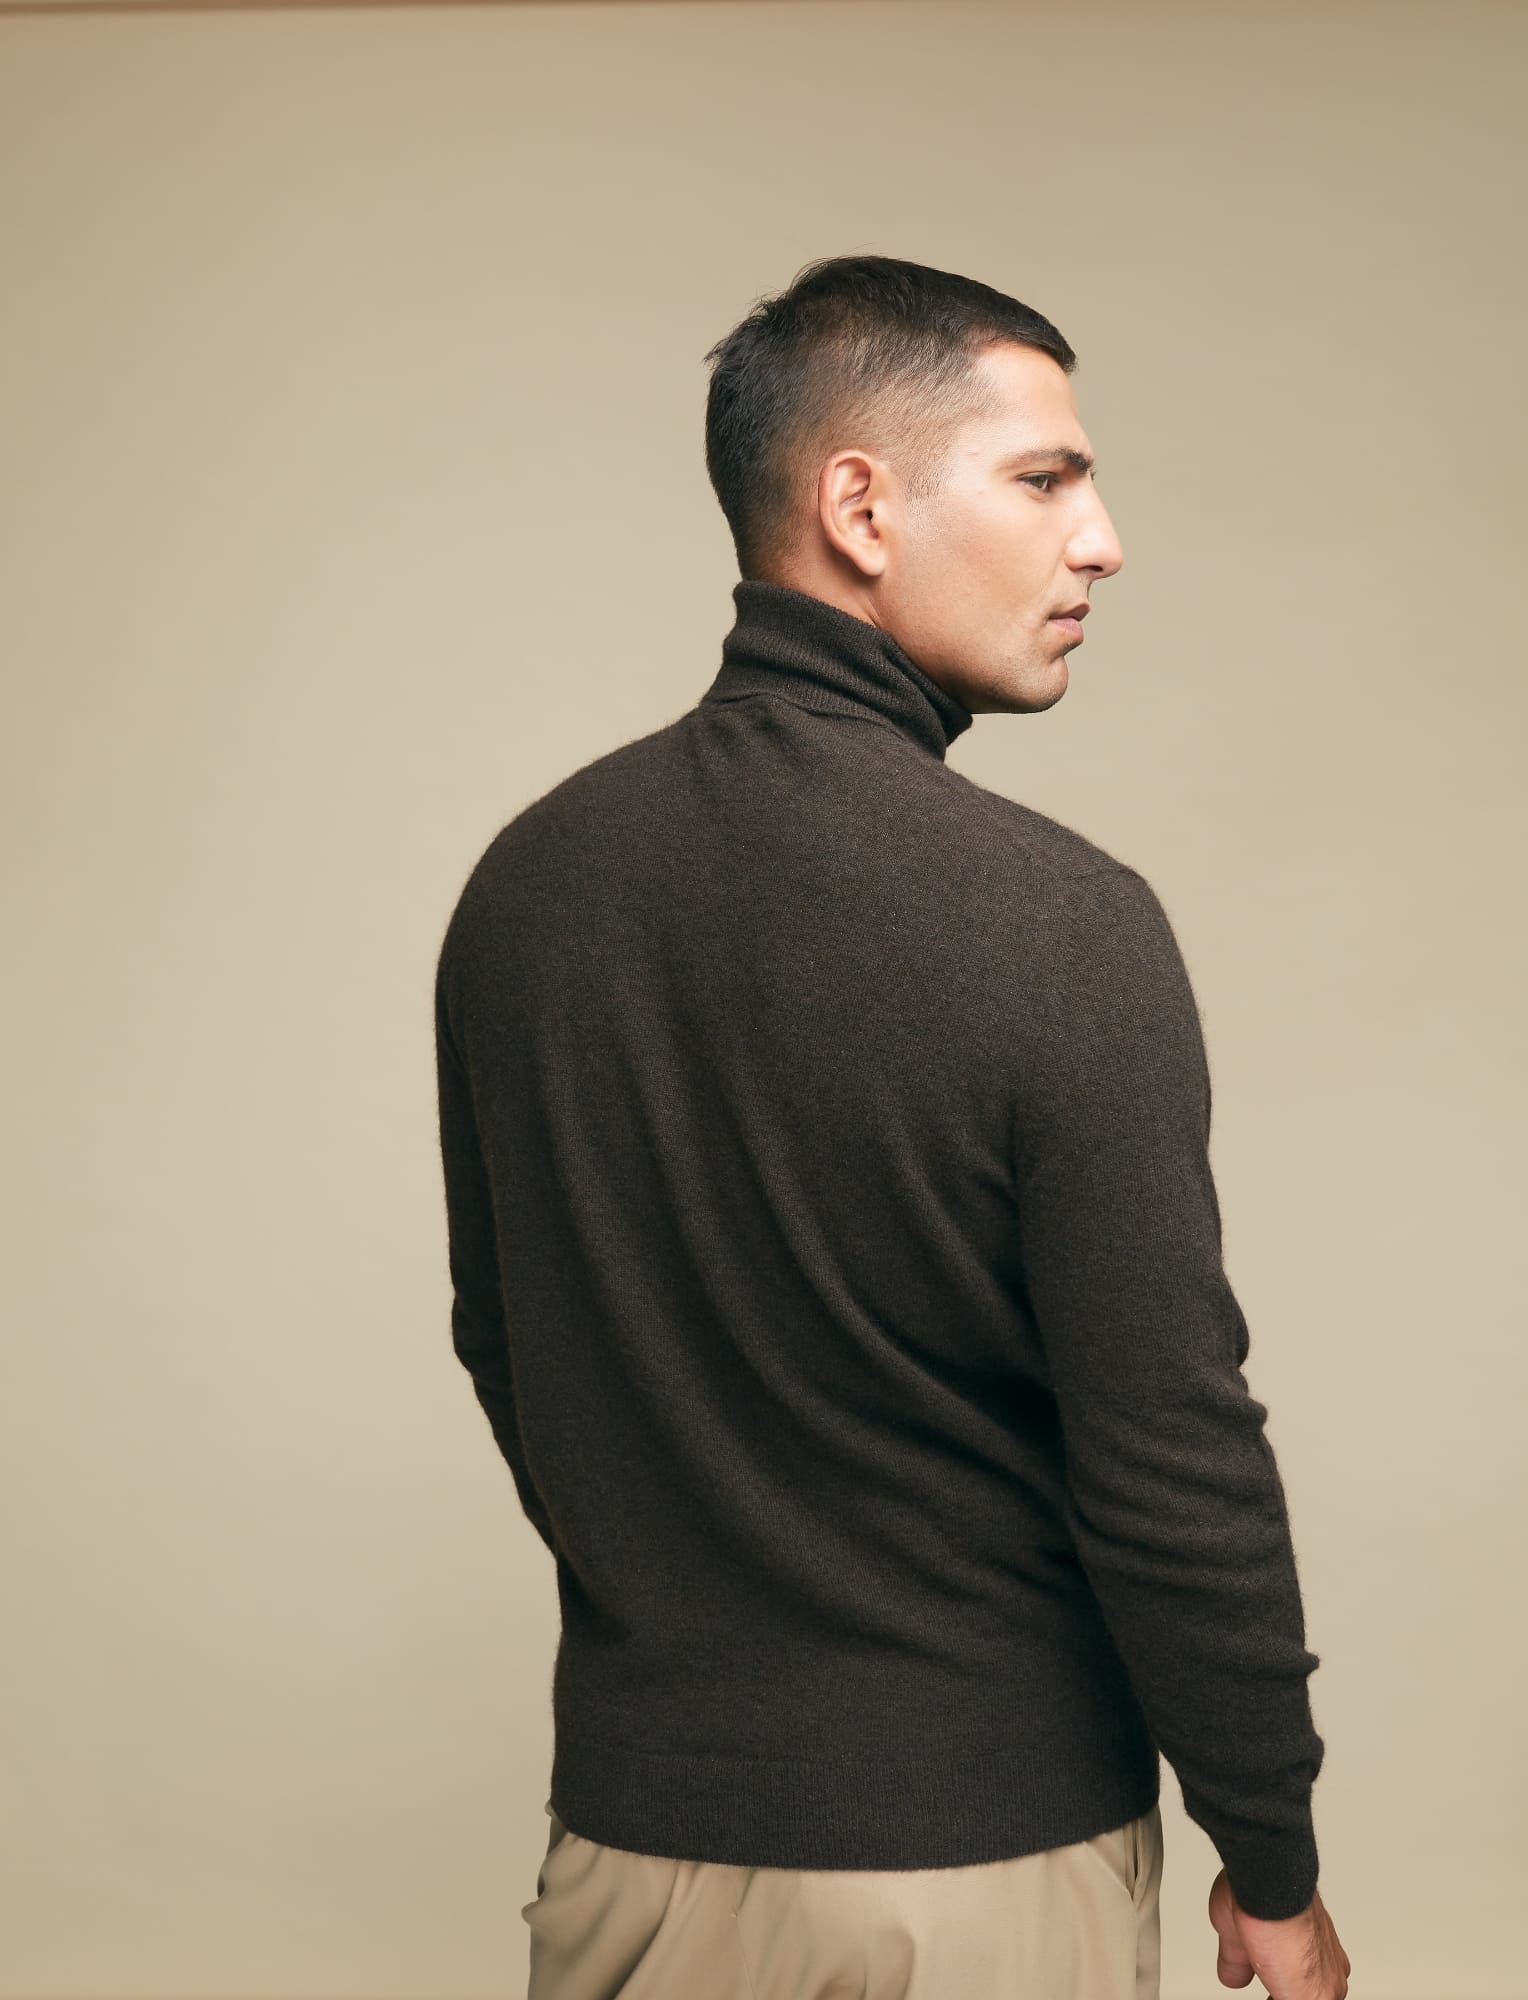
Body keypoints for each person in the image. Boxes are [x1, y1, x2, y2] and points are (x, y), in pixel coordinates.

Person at [433, 252, 1351, 2000]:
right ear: (860, 508)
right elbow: (1170, 1455)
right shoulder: (1062, 922)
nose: (1102, 541)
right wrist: (1272, 1849)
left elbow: (510, 1345)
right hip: (973, 1877)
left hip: (624, 1866)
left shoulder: (528, 888)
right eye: (1045, 478)